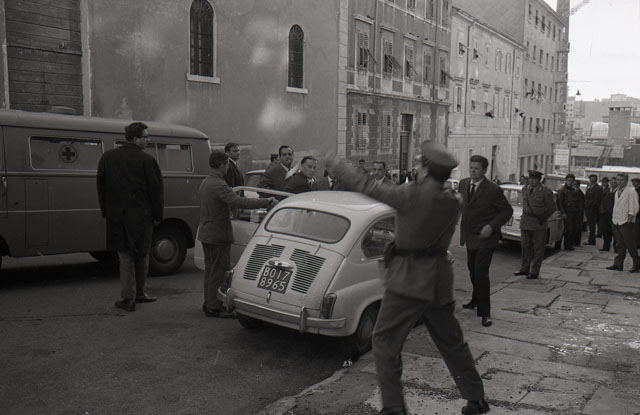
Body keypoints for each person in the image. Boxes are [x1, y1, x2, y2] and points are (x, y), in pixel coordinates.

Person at [326, 141, 490, 415]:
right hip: (438, 281)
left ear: (426, 170)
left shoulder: (412, 194)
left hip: (408, 280)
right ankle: (476, 398)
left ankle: (393, 407)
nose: (416, 168)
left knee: (385, 341)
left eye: (419, 164)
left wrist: (337, 165)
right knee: (451, 342)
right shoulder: (453, 200)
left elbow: (369, 187)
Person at [198, 151, 276, 317]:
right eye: (226, 164)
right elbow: (239, 201)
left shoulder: (206, 182)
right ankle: (214, 306)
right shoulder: (219, 185)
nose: (228, 168)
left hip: (207, 232)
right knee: (219, 271)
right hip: (217, 234)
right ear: (222, 165)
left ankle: (209, 302)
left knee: (210, 271)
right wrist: (266, 201)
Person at [97, 122, 163, 312]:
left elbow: (101, 187)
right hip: (142, 216)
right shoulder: (147, 160)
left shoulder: (108, 157)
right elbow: (156, 191)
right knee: (142, 254)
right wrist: (157, 215)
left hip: (117, 217)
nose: (148, 140)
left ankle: (128, 298)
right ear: (135, 139)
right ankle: (139, 294)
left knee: (125, 256)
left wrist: (106, 211)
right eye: (145, 137)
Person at [459, 155, 513, 327]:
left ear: (484, 170)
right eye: (471, 167)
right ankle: (475, 300)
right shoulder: (463, 184)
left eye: (476, 168)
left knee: (481, 273)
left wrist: (491, 225)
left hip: (485, 238)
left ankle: (485, 313)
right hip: (470, 236)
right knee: (472, 271)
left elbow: (507, 211)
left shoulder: (492, 189)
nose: (473, 171)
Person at [514, 170, 557, 280]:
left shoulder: (545, 191)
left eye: (535, 179)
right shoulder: (525, 189)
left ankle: (534, 272)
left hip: (538, 223)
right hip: (525, 221)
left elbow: (552, 208)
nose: (532, 181)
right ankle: (524, 268)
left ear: (539, 180)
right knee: (525, 247)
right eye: (530, 179)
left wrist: (543, 217)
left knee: (538, 249)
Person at [606, 173, 640, 272]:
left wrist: (630, 218)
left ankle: (637, 264)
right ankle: (618, 264)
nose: (619, 182)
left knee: (630, 244)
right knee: (619, 244)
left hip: (626, 222)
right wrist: (613, 219)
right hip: (616, 221)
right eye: (618, 180)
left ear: (626, 181)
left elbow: (634, 206)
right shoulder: (617, 191)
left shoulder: (631, 192)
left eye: (622, 180)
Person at [557, 174, 582, 251]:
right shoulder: (562, 190)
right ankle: (566, 245)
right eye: (569, 180)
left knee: (573, 229)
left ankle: (570, 245)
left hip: (574, 212)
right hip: (567, 212)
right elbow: (560, 203)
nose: (570, 182)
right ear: (566, 181)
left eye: (572, 181)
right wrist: (563, 213)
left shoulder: (574, 190)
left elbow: (578, 201)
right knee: (568, 229)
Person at [584, 174, 603, 245]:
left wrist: (592, 209)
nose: (592, 180)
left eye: (593, 179)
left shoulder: (598, 188)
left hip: (593, 210)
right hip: (588, 209)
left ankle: (592, 240)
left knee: (592, 226)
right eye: (591, 179)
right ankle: (590, 239)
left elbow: (597, 200)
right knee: (590, 226)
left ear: (596, 180)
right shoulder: (590, 187)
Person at [599, 177, 616, 252]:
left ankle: (616, 248)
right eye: (612, 182)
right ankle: (606, 247)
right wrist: (602, 210)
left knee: (615, 232)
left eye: (614, 183)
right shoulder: (606, 191)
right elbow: (602, 201)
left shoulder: (618, 192)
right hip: (605, 214)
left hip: (614, 214)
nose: (613, 184)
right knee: (606, 231)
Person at [573, 181, 585, 246]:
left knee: (577, 227)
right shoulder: (579, 192)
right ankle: (576, 241)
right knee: (576, 227)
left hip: (578, 212)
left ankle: (576, 242)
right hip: (578, 211)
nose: (575, 186)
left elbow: (580, 202)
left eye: (576, 184)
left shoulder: (578, 192)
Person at [632, 178, 640, 246]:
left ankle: (637, 244)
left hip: (638, 213)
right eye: (633, 182)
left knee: (637, 229)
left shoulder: (638, 190)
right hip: (636, 212)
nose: (633, 184)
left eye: (634, 182)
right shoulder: (635, 190)